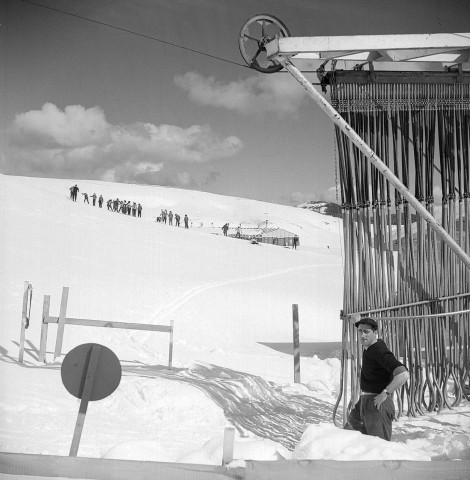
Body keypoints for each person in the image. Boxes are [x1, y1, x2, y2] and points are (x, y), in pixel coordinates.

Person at [345, 317, 409, 441]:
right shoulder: (370, 348)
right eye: (360, 331)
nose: (362, 335)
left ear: (375, 333)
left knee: (379, 447)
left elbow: (403, 374)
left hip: (377, 404)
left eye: (366, 332)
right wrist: (357, 319)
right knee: (351, 439)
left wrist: (386, 392)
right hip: (364, 402)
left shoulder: (379, 350)